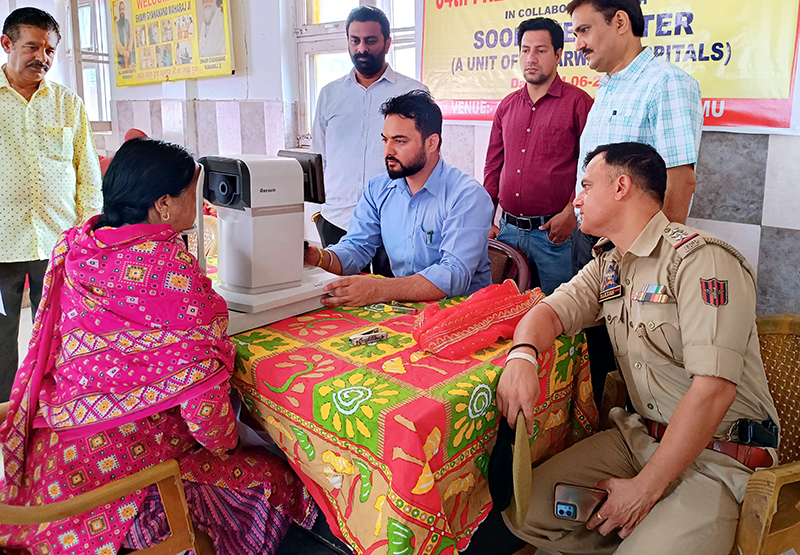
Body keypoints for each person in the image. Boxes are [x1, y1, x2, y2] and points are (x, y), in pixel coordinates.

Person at [0, 138, 318, 555]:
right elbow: (207, 418)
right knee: (275, 476)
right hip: (119, 485)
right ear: (164, 204)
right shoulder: (169, 272)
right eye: (192, 192)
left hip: (55, 456)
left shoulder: (76, 245)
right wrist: (234, 443)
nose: (202, 202)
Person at [491, 142, 779, 555]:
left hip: (719, 460)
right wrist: (522, 356)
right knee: (525, 510)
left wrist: (644, 490)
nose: (577, 200)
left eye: (586, 186)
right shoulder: (609, 264)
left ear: (621, 186)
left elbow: (713, 391)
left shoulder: (701, 261)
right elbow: (548, 313)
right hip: (639, 440)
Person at [567, 0, 704, 408]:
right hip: (593, 245)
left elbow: (680, 179)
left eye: (584, 30)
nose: (578, 44)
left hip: (637, 255)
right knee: (598, 354)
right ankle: (601, 431)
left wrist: (655, 263)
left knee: (635, 365)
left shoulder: (666, 83)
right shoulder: (609, 86)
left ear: (620, 22)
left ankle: (637, 439)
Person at [305, 90, 493, 307]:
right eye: (385, 140)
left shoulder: (467, 196)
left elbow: (454, 275)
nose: (388, 151)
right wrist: (318, 257)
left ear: (432, 143)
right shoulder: (378, 188)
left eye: (400, 141)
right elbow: (357, 247)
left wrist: (378, 290)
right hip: (405, 309)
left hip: (464, 312)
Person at [0, 8, 102, 402]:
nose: (41, 57)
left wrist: (87, 234)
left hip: (59, 245)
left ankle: (53, 411)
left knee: (60, 336)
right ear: (7, 44)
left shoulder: (67, 103)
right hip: (2, 245)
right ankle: (6, 417)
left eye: (49, 50)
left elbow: (87, 174)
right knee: (0, 341)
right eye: (32, 47)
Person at [311, 6, 427, 277]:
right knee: (341, 296)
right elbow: (319, 158)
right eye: (355, 40)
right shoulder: (329, 94)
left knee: (394, 296)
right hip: (338, 218)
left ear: (387, 43)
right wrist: (318, 213)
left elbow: (424, 162)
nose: (361, 48)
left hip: (395, 220)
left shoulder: (413, 93)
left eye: (370, 41)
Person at [484, 17, 593, 295]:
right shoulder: (507, 106)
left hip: (555, 235)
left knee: (558, 312)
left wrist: (571, 213)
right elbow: (493, 167)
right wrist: (486, 219)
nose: (531, 58)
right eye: (525, 50)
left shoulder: (579, 103)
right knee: (505, 310)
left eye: (541, 50)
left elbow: (592, 167)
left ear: (558, 54)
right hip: (507, 232)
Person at [114, 0, 135, 68]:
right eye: (120, 10)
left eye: (123, 9)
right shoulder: (116, 24)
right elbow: (117, 41)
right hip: (121, 59)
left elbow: (131, 37)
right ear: (119, 11)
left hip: (129, 57)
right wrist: (123, 51)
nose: (122, 12)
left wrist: (129, 49)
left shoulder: (128, 22)